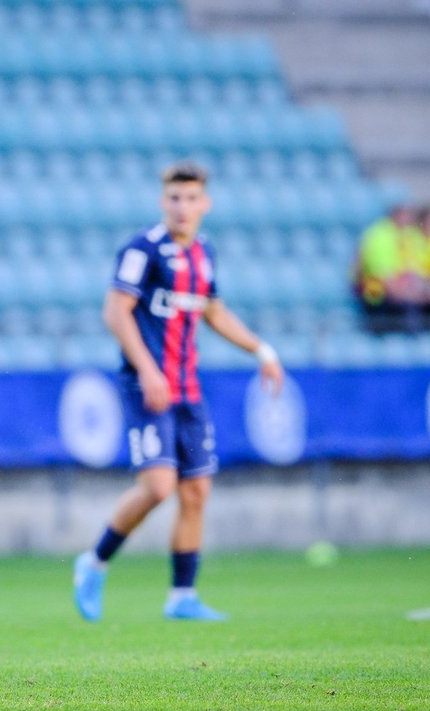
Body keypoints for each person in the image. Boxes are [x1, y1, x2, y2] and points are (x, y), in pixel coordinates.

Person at [72, 162, 284, 623]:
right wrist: (148, 370)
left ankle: (181, 596)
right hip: (147, 384)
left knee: (196, 492)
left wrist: (262, 351)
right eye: (174, 197)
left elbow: (216, 313)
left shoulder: (203, 254)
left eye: (190, 199)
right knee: (159, 486)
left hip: (189, 386)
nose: (182, 207)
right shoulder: (143, 250)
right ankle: (93, 562)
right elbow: (116, 312)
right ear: (161, 200)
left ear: (204, 204)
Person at [354, 204, 426, 332]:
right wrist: (403, 291)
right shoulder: (378, 235)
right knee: (392, 297)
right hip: (371, 286)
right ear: (396, 216)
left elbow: (415, 268)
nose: (408, 221)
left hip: (399, 286)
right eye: (406, 217)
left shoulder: (410, 236)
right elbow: (381, 273)